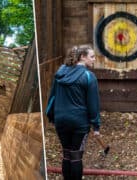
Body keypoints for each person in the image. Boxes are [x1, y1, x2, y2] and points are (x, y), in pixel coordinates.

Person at [46, 45, 101, 180]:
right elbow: (93, 104)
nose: (94, 60)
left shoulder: (60, 73)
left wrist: (52, 116)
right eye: (92, 56)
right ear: (82, 57)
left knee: (66, 154)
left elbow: (52, 97)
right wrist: (96, 126)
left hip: (61, 120)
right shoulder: (89, 76)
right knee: (76, 156)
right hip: (79, 122)